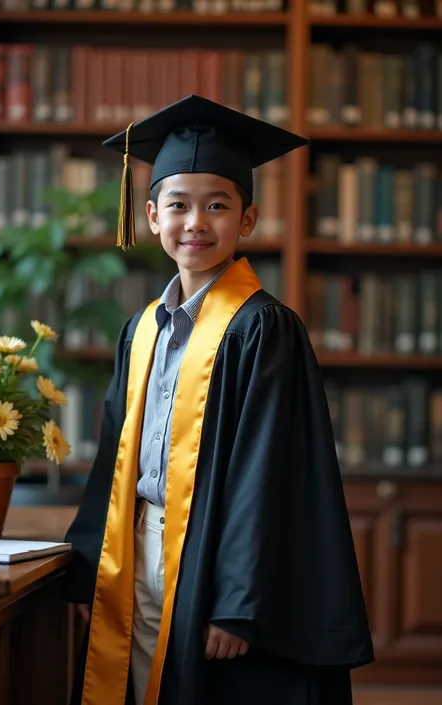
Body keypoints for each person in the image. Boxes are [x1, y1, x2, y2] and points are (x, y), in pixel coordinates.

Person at [64, 94, 374, 705]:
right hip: (138, 550)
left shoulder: (263, 328)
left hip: (211, 559)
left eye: (217, 205)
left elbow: (268, 473)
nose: (196, 223)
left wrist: (239, 601)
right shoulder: (142, 327)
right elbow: (114, 455)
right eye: (178, 205)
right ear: (152, 217)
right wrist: (88, 572)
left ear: (248, 221)